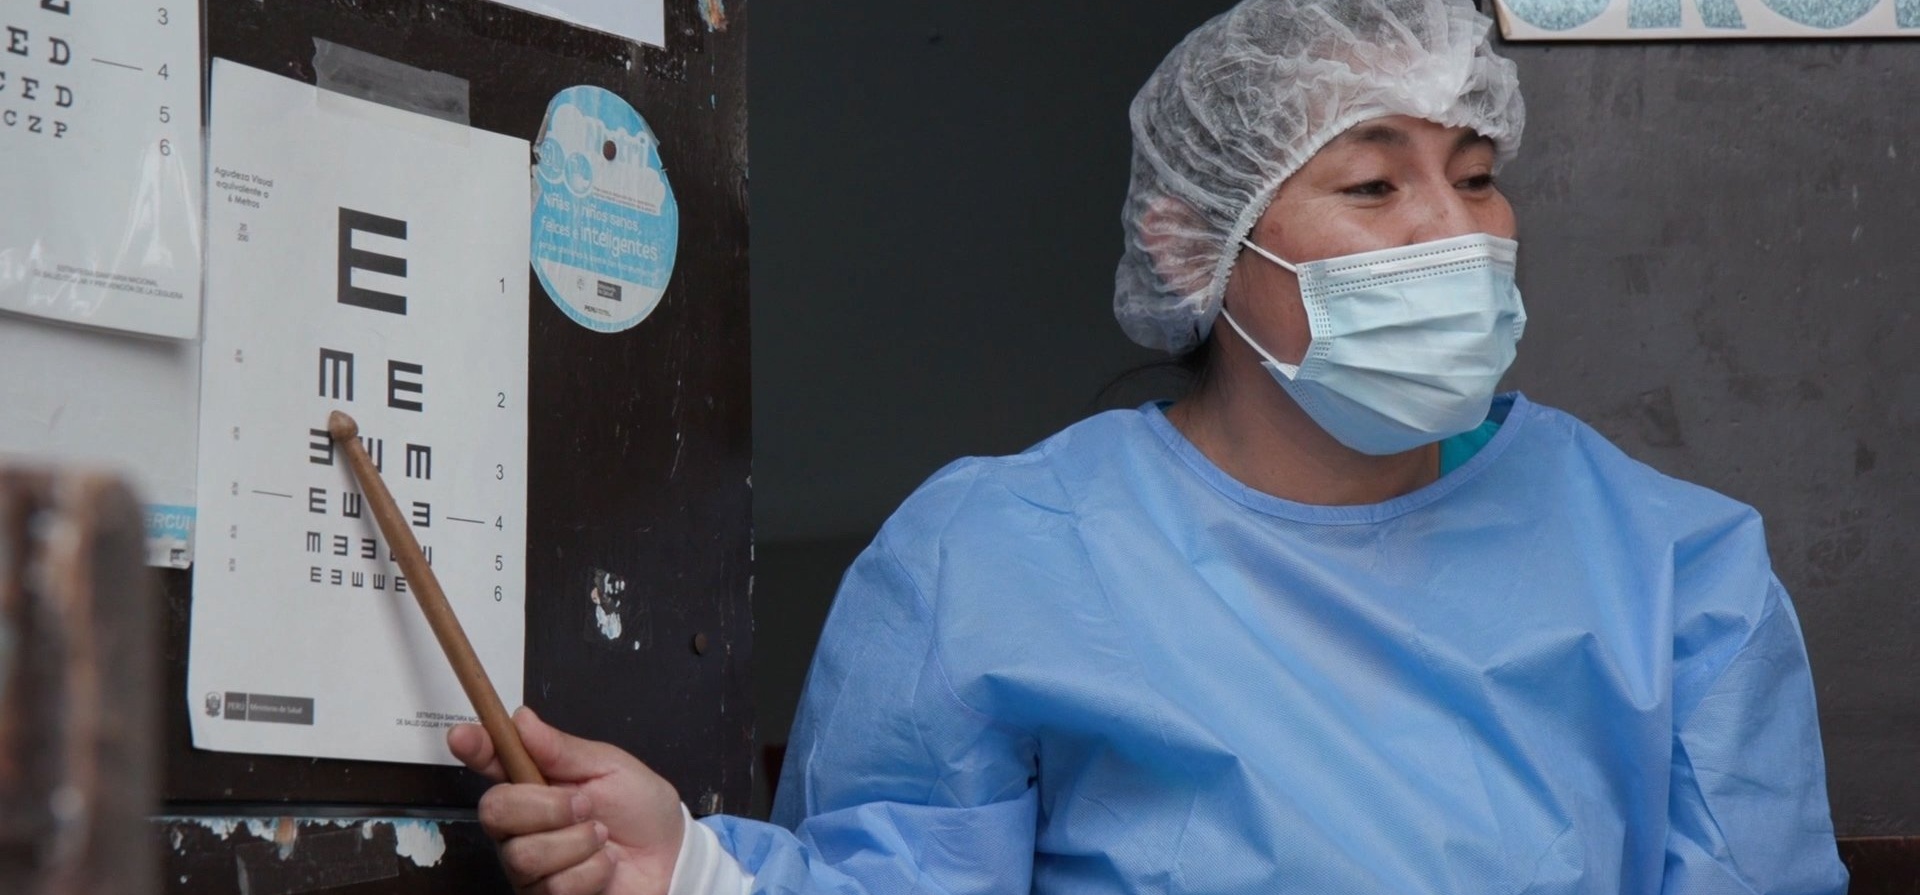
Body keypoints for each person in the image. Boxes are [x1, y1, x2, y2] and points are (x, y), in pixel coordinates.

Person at [447, 0, 1851, 892]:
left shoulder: (1678, 570)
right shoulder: (997, 558)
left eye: (1478, 178)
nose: (1456, 232)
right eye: (1375, 183)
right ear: (1193, 247)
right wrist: (693, 874)